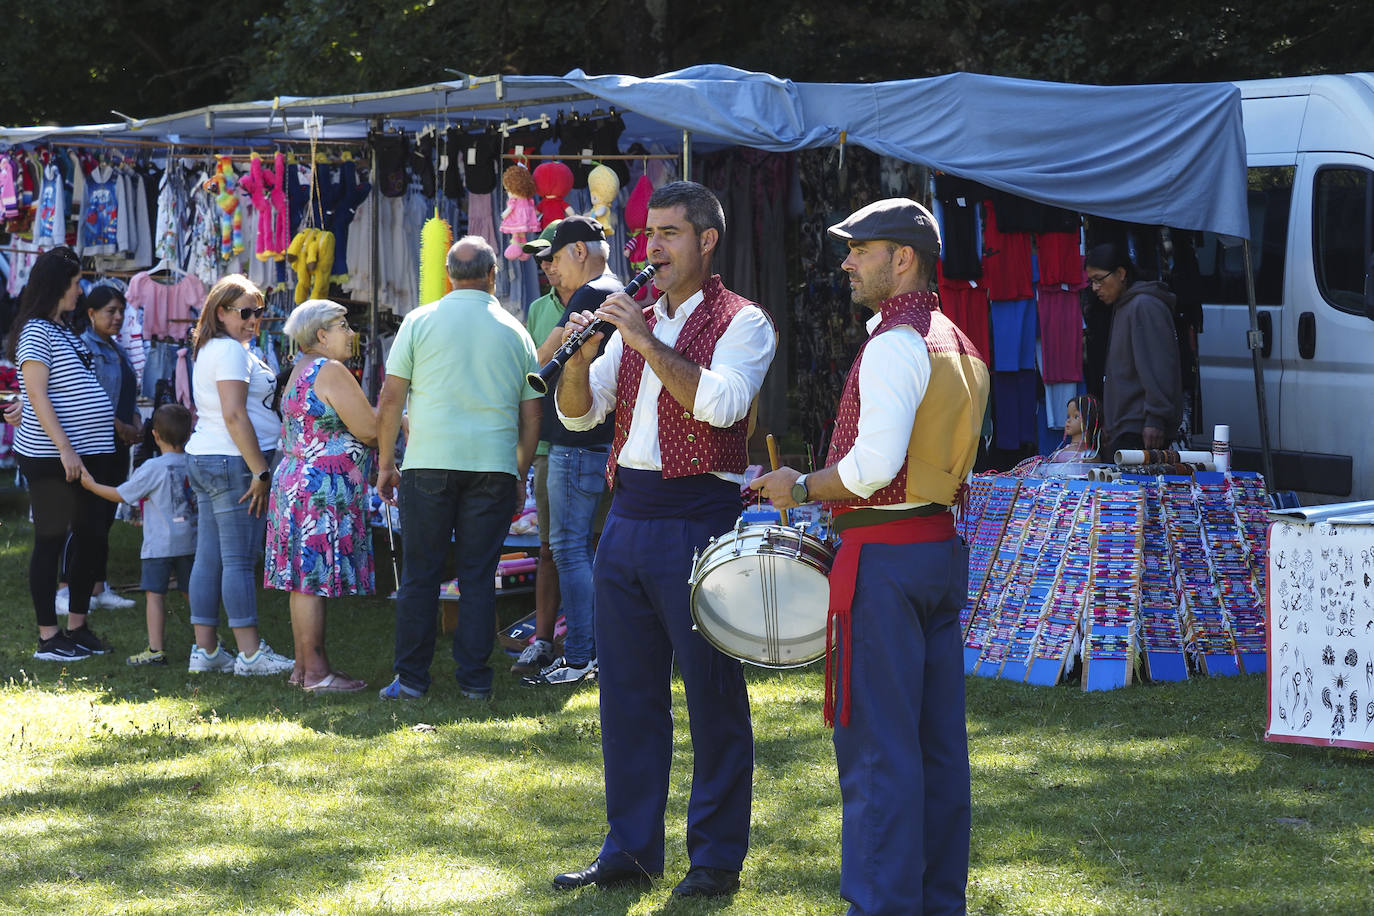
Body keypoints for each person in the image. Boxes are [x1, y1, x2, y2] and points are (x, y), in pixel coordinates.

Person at [751, 198, 989, 915]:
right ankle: (936, 902)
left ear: (903, 258)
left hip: (885, 556)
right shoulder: (959, 339)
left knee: (881, 755)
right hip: (937, 551)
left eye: (860, 249)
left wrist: (800, 486)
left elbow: (869, 468)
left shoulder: (895, 341)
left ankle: (883, 907)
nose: (848, 262)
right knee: (938, 749)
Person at [552, 181, 776, 898]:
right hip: (629, 515)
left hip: (699, 512)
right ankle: (631, 849)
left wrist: (642, 339)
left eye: (670, 234)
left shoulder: (744, 321)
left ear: (707, 242)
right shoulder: (636, 317)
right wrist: (578, 364)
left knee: (712, 695)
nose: (653, 248)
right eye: (649, 234)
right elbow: (584, 418)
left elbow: (720, 404)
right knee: (626, 694)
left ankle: (714, 860)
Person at [375, 235, 541, 700]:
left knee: (420, 574)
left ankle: (410, 679)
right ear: (493, 275)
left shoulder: (419, 320)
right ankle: (473, 680)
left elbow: (391, 399)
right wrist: (519, 472)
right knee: (477, 576)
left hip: (428, 465)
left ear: (449, 275)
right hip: (492, 468)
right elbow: (532, 415)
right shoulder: (516, 331)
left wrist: (386, 462)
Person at [524, 216, 622, 687]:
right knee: (583, 549)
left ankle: (583, 654)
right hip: (597, 440)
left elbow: (543, 356)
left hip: (575, 440)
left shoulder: (590, 293)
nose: (551, 269)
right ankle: (594, 651)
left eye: (556, 258)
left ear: (579, 252)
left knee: (568, 549)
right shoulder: (617, 288)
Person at [263, 299, 378, 693]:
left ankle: (306, 668)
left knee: (302, 581)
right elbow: (370, 430)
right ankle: (315, 673)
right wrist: (404, 420)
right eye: (343, 326)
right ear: (322, 335)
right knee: (310, 580)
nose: (351, 333)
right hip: (319, 490)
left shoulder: (301, 369)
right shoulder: (331, 370)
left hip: (295, 484)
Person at [10, 247, 117, 661]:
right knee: (52, 539)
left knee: (91, 537)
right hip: (53, 456)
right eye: (76, 284)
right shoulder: (36, 330)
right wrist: (67, 450)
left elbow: (54, 387)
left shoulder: (61, 328)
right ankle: (48, 638)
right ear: (58, 286)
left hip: (89, 451)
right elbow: (36, 393)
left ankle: (77, 625)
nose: (81, 290)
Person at [185, 274, 294, 677]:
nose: (254, 320)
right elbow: (234, 413)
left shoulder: (217, 347)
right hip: (235, 463)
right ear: (221, 312)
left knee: (210, 557)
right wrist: (260, 471)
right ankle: (250, 655)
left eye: (259, 312)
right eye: (246, 313)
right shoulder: (229, 351)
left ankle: (206, 650)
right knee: (237, 560)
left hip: (211, 457)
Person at [80, 403, 197, 666]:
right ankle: (207, 644)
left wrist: (91, 485)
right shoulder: (194, 462)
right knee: (193, 593)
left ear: (154, 435)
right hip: (191, 541)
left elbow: (123, 494)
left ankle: (156, 650)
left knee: (154, 596)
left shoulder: (153, 468)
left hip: (159, 545)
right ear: (189, 435)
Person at [59, 286, 142, 614]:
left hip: (117, 446)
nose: (118, 317)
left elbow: (126, 393)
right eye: (110, 311)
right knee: (83, 516)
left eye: (120, 310)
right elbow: (85, 397)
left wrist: (133, 420)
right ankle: (66, 588)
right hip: (92, 444)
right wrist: (119, 425)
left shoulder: (118, 348)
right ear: (91, 314)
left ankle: (97, 585)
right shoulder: (83, 348)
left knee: (105, 515)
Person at [511, 221, 569, 676]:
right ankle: (544, 638)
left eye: (551, 256)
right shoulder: (538, 309)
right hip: (551, 444)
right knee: (549, 549)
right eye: (540, 258)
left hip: (601, 445)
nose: (545, 265)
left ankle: (593, 638)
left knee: (595, 546)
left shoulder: (610, 297)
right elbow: (530, 383)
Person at [1084, 242, 1183, 458]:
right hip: (1125, 427)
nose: (1095, 288)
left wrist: (1155, 418)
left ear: (1121, 273)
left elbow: (1159, 366)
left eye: (1099, 280)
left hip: (1141, 430)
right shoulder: (1124, 305)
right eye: (1091, 281)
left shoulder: (1144, 305)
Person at [1046, 394, 1102, 463]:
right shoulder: (1058, 453)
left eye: (1076, 416)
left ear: (1089, 420)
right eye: (1068, 416)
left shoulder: (1090, 457)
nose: (1068, 420)